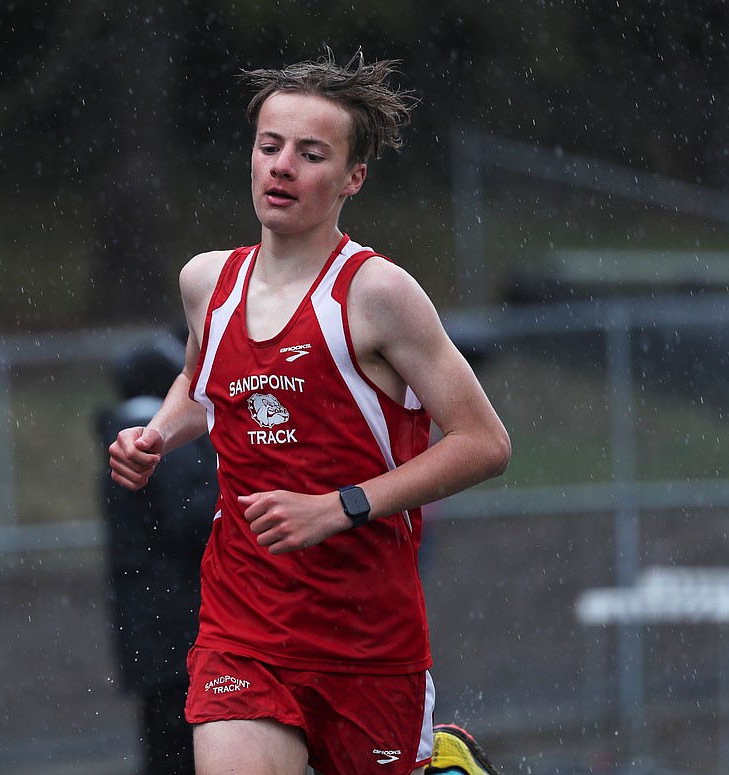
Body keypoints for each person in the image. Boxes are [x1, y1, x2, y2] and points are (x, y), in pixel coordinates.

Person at [108, 49, 511, 775]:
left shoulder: (379, 295)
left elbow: (484, 442)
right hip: (244, 624)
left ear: (352, 178)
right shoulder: (208, 281)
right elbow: (204, 383)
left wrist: (341, 505)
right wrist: (157, 435)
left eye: (310, 153)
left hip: (366, 635)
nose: (282, 166)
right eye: (270, 146)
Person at [96, 335, 219, 774]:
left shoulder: (120, 436)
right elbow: (191, 517)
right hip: (180, 620)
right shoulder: (159, 440)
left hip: (148, 622)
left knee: (164, 743)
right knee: (185, 744)